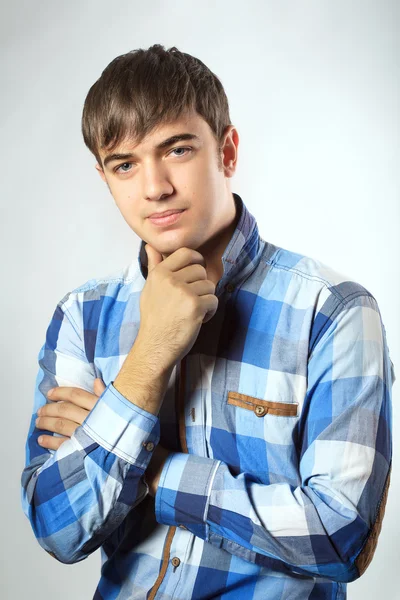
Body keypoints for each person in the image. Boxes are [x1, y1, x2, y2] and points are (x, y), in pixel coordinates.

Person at [21, 44, 396, 600]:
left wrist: (146, 464)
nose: (154, 188)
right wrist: (149, 356)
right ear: (104, 177)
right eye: (125, 164)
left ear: (227, 150)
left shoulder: (333, 312)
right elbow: (58, 528)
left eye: (176, 150)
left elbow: (340, 538)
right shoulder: (83, 316)